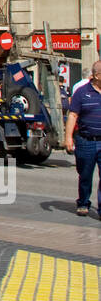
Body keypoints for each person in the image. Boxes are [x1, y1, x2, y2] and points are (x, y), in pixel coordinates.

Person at [64, 60, 101, 216]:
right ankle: (83, 202)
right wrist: (68, 138)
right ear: (97, 76)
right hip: (86, 141)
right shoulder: (81, 92)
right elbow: (73, 115)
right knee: (85, 174)